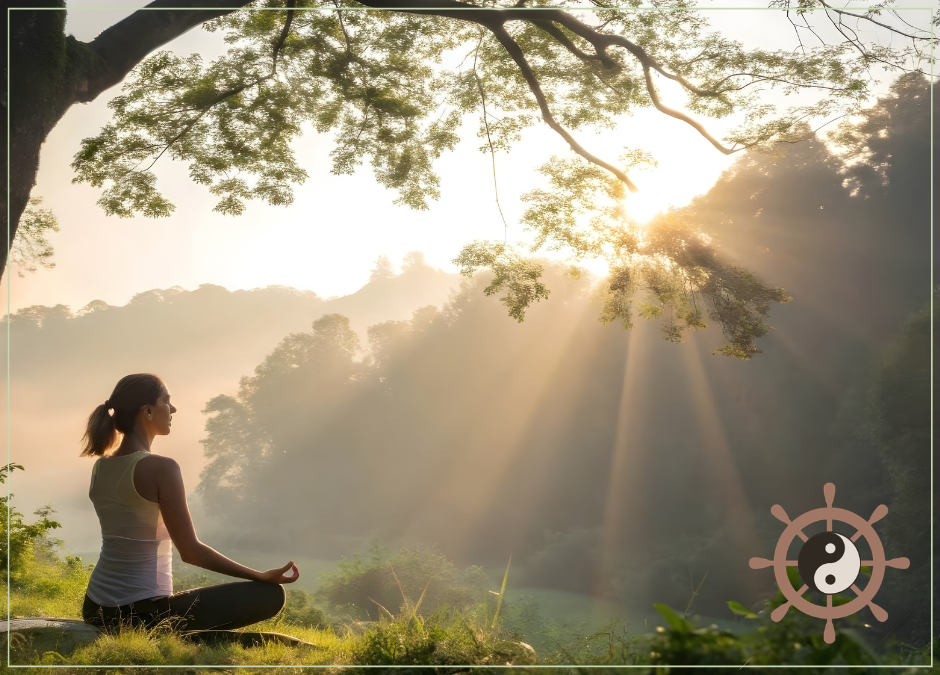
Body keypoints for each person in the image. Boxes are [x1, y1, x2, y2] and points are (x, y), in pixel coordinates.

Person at [80, 373, 300, 634]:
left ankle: (184, 632)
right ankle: (189, 636)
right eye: (167, 401)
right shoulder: (161, 468)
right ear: (147, 411)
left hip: (95, 609)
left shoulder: (100, 467)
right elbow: (191, 552)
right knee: (271, 596)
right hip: (143, 613)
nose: (173, 409)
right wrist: (260, 576)